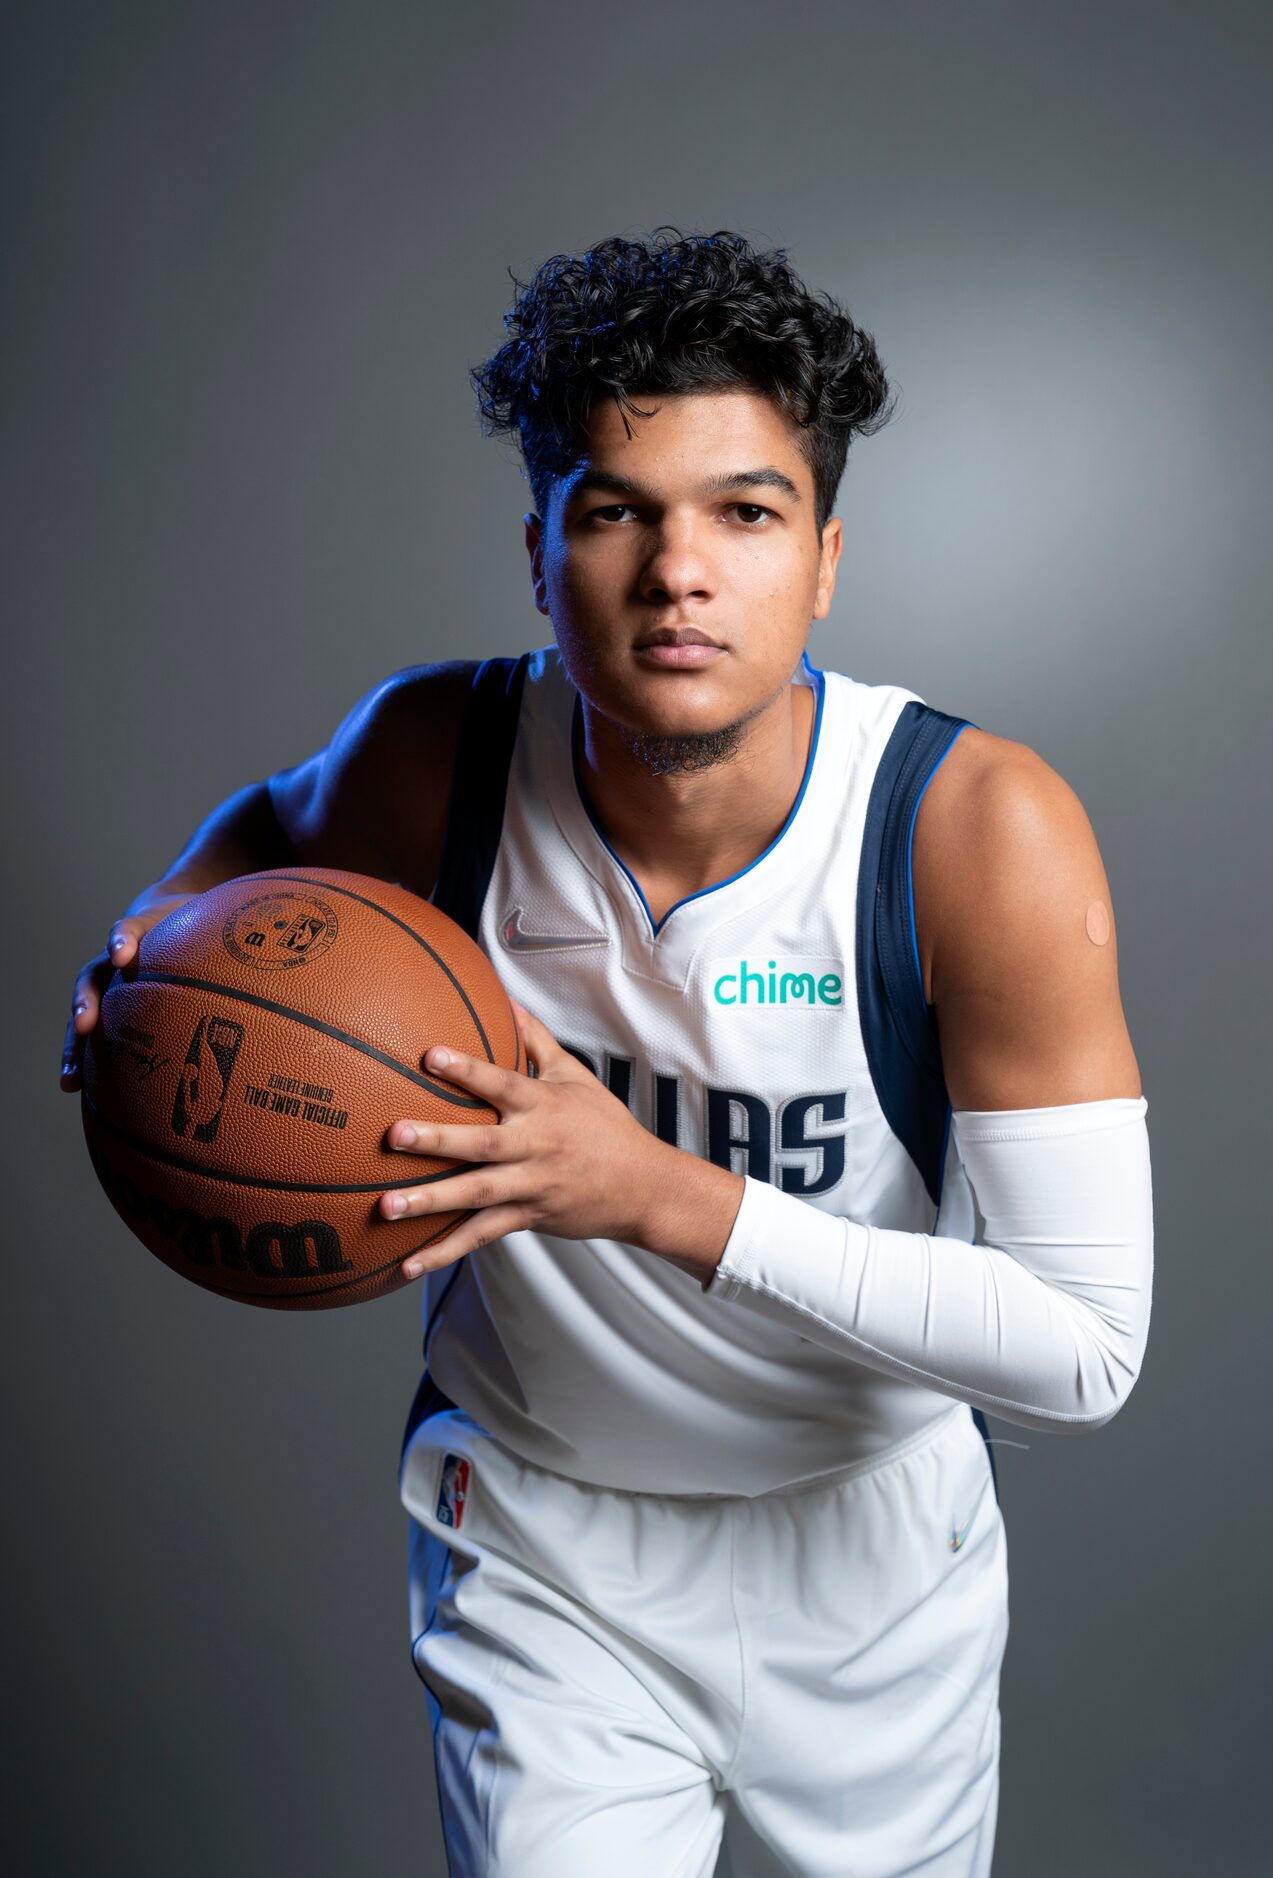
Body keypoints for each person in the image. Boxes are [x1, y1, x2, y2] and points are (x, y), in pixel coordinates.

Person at [62, 229, 1153, 1878]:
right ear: (537, 548)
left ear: (827, 558)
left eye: (744, 510)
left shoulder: (968, 831)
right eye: (612, 511)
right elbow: (257, 836)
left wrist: (658, 1194)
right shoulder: (434, 757)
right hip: (542, 1535)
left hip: (868, 1560)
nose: (676, 572)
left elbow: (1084, 1351)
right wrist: (154, 944)